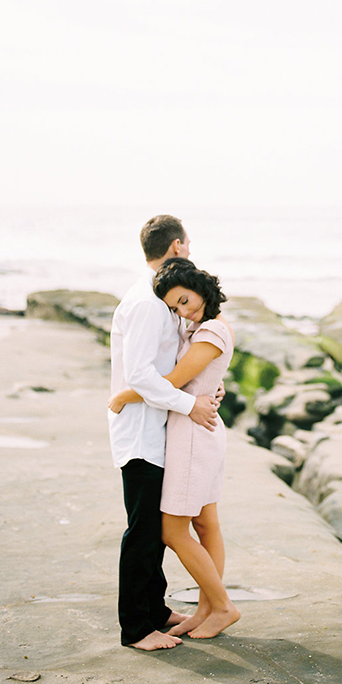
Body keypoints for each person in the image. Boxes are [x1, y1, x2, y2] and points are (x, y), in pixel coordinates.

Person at [109, 258, 241, 639]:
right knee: (205, 524)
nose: (183, 311)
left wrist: (125, 396)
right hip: (193, 430)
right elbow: (199, 379)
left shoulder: (211, 330)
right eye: (175, 307)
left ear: (202, 287)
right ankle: (206, 610)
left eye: (185, 300)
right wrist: (213, 386)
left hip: (192, 435)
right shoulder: (200, 329)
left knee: (174, 531)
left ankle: (221, 606)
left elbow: (174, 379)